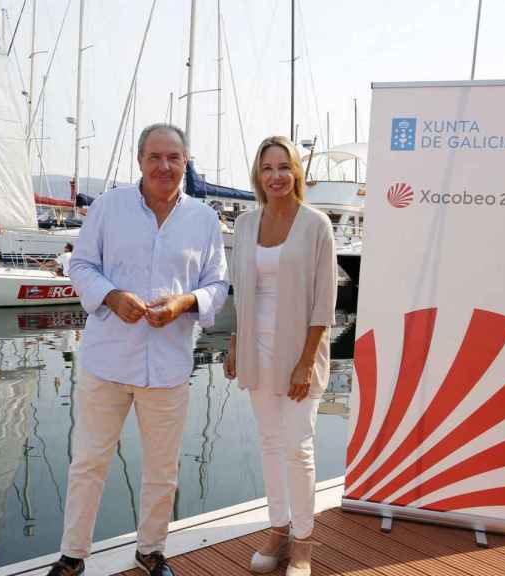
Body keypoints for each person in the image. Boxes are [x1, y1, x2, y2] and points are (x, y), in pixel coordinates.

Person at [47, 123, 228, 576]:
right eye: (155, 157)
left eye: (173, 158)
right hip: (107, 360)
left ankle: (151, 551)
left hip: (167, 365)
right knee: (89, 462)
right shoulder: (108, 208)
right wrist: (111, 296)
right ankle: (72, 556)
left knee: (162, 469)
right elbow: (82, 265)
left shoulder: (204, 220)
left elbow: (217, 285)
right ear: (140, 160)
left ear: (186, 161)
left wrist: (186, 302)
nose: (164, 166)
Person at [223, 136, 336, 576]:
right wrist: (233, 343)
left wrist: (307, 361)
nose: (275, 176)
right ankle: (278, 530)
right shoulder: (246, 224)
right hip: (255, 350)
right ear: (258, 174)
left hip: (297, 352)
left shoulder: (316, 224)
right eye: (267, 168)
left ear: (296, 173)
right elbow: (240, 292)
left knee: (298, 448)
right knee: (270, 444)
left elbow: (324, 303)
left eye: (283, 167)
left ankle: (304, 543)